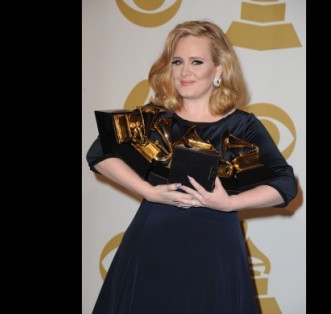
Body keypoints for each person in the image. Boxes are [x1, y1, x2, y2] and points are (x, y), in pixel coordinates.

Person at [86, 20, 297, 314]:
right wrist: (149, 191)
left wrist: (229, 203)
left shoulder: (242, 126)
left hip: (215, 251)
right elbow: (99, 153)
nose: (185, 72)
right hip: (151, 244)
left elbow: (285, 184)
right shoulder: (155, 118)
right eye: (177, 61)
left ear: (219, 69)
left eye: (196, 62)